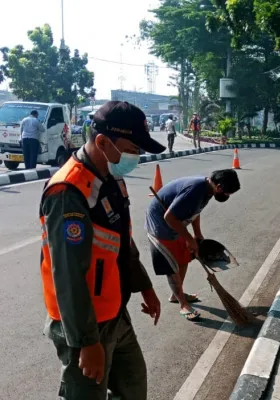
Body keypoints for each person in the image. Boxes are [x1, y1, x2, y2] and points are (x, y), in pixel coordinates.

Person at [39, 101, 166, 400]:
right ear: (102, 142)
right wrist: (86, 342)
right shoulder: (68, 192)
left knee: (134, 387)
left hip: (114, 313)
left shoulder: (111, 179)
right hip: (83, 325)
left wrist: (145, 286)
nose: (136, 155)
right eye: (132, 147)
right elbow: (68, 275)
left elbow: (122, 241)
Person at [145, 169, 241, 321]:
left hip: (176, 224)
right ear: (219, 187)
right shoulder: (195, 190)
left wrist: (197, 234)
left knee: (183, 259)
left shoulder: (208, 190)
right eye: (227, 193)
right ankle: (183, 304)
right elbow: (169, 217)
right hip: (161, 226)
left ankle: (176, 295)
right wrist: (189, 239)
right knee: (172, 267)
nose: (227, 196)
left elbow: (196, 210)